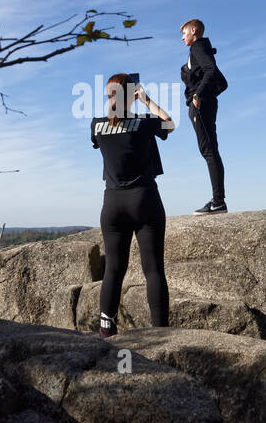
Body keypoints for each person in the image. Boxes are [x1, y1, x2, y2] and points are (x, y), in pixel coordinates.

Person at [89, 73, 176, 337]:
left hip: (112, 204)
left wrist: (115, 105)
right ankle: (160, 334)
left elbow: (102, 135)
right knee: (153, 270)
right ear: (132, 95)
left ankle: (107, 332)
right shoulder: (144, 123)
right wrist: (147, 100)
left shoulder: (96, 125)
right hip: (144, 199)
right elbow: (170, 125)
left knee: (114, 270)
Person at [179, 18, 228, 214]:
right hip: (203, 105)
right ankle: (218, 200)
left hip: (200, 106)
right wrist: (207, 95)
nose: (182, 38)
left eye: (184, 33)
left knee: (209, 151)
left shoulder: (198, 48)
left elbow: (211, 71)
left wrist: (199, 96)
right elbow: (222, 83)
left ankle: (218, 202)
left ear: (193, 30)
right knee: (209, 150)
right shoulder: (201, 49)